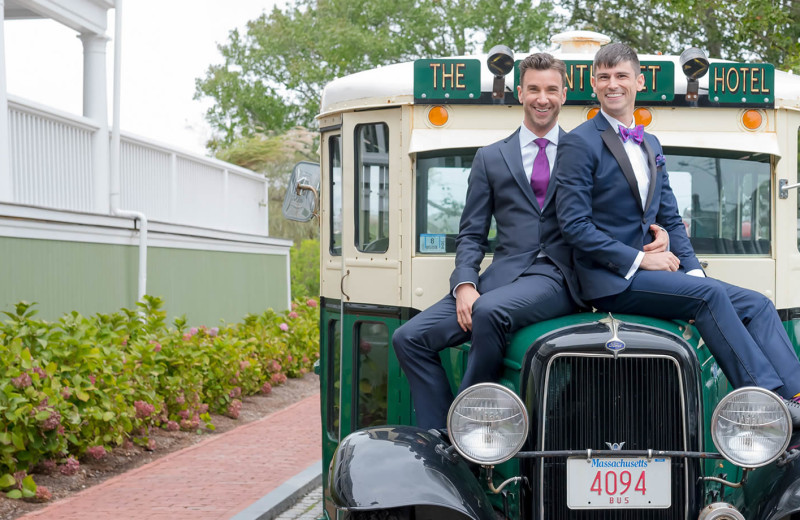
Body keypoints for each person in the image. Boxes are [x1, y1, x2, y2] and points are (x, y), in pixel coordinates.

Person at [392, 52, 667, 430]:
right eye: (534, 89)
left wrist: (656, 236)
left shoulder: (589, 149)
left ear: (565, 94)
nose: (543, 98)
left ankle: (472, 425)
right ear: (519, 93)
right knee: (408, 338)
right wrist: (465, 285)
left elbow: (621, 211)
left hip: (560, 278)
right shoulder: (490, 158)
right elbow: (472, 234)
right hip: (501, 277)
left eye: (552, 90)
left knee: (490, 312)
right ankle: (441, 433)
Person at [554, 42, 800, 426]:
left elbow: (669, 217)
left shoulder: (650, 143)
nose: (612, 84)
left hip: (653, 273)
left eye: (621, 76)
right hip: (607, 279)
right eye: (603, 77)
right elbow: (574, 226)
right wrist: (641, 258)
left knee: (757, 305)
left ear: (638, 81)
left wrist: (693, 272)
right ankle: (768, 402)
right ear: (593, 84)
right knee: (709, 297)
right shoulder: (578, 142)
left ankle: (798, 398)